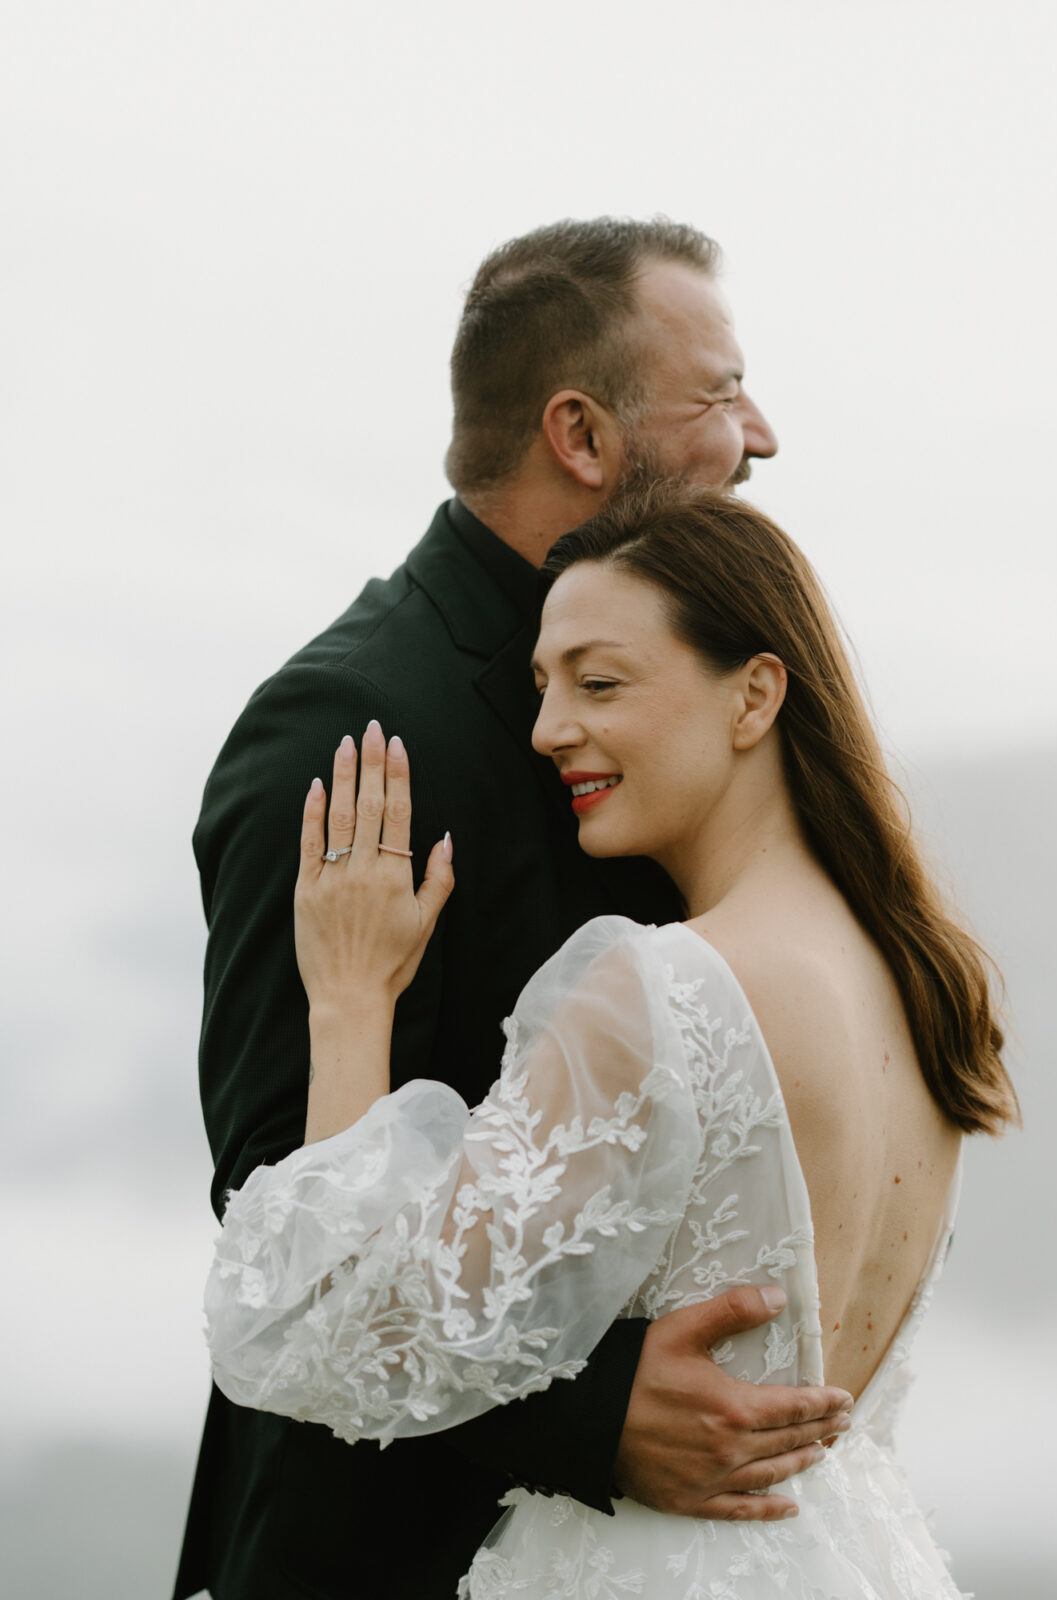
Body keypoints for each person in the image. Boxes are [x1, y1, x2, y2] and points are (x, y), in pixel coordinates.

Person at [174, 219, 851, 1600]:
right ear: (581, 437)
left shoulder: (693, 712)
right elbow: (270, 1192)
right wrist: (596, 1415)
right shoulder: (353, 725)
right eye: (719, 394)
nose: (762, 437)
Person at [206, 484, 1017, 1599]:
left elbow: (328, 1338)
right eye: (541, 687)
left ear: (753, 696)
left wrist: (351, 998)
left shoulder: (656, 987)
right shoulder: (921, 983)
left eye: (598, 682)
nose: (547, 730)